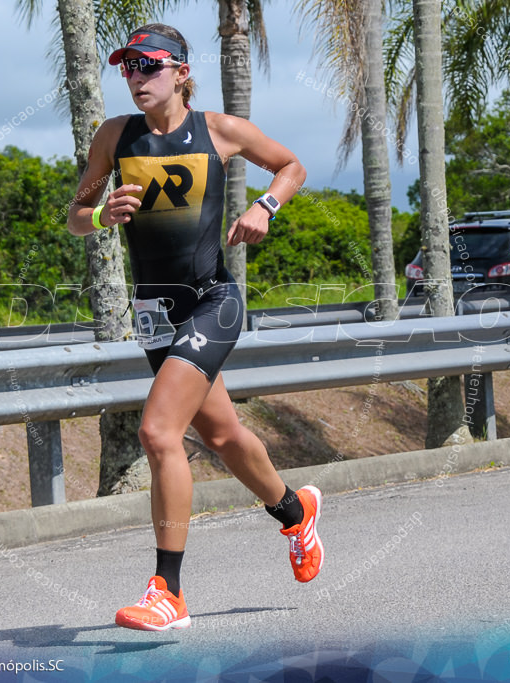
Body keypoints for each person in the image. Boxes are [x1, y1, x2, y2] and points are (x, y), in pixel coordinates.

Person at [66, 23, 323, 632]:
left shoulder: (217, 130)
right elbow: (76, 215)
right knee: (226, 436)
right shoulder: (113, 137)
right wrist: (102, 213)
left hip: (213, 301)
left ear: (181, 71)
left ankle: (168, 592)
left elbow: (291, 166)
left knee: (159, 432)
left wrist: (266, 206)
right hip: (155, 313)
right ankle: (295, 511)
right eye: (126, 67)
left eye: (147, 66)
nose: (134, 78)